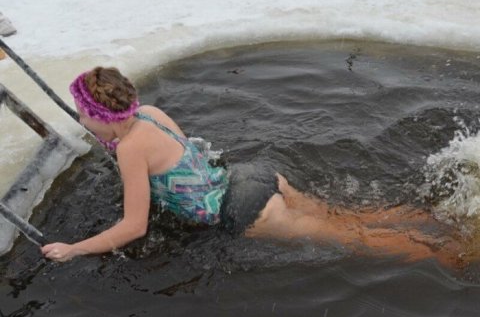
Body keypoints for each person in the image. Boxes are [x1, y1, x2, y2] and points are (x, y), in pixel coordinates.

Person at [41, 67, 465, 268]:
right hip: (254, 177)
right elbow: (185, 156)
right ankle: (433, 220)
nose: (81, 121)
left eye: (83, 113)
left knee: (354, 239)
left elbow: (134, 226)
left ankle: (450, 255)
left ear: (102, 115)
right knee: (349, 218)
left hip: (242, 210)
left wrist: (75, 247)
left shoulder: (129, 150)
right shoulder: (149, 113)